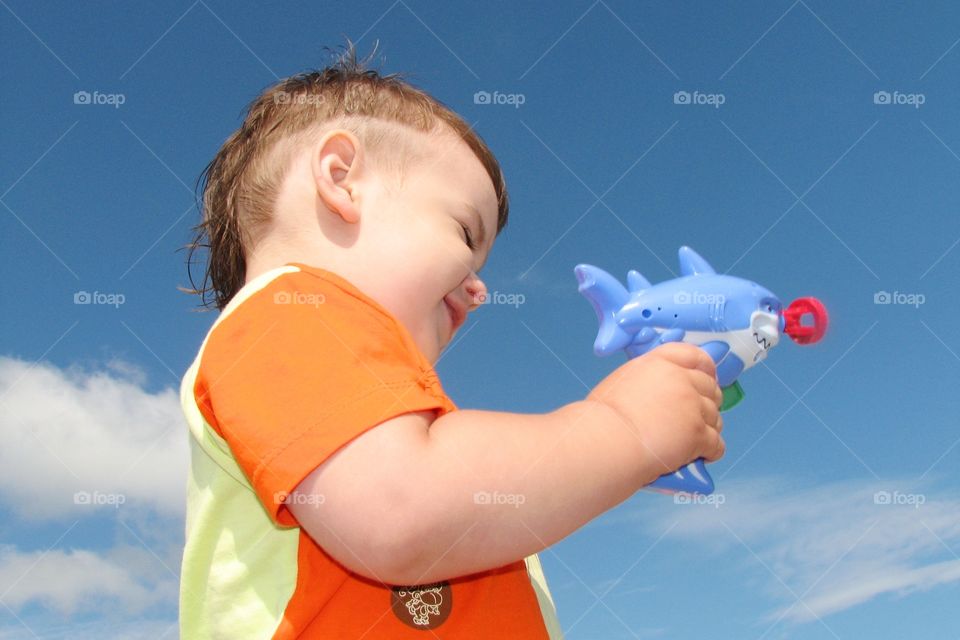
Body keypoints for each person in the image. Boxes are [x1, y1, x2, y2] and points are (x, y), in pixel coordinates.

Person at [179, 45, 725, 639]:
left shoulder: (367, 406)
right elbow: (401, 511)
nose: (479, 288)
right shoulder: (285, 313)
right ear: (342, 180)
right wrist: (624, 429)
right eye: (466, 232)